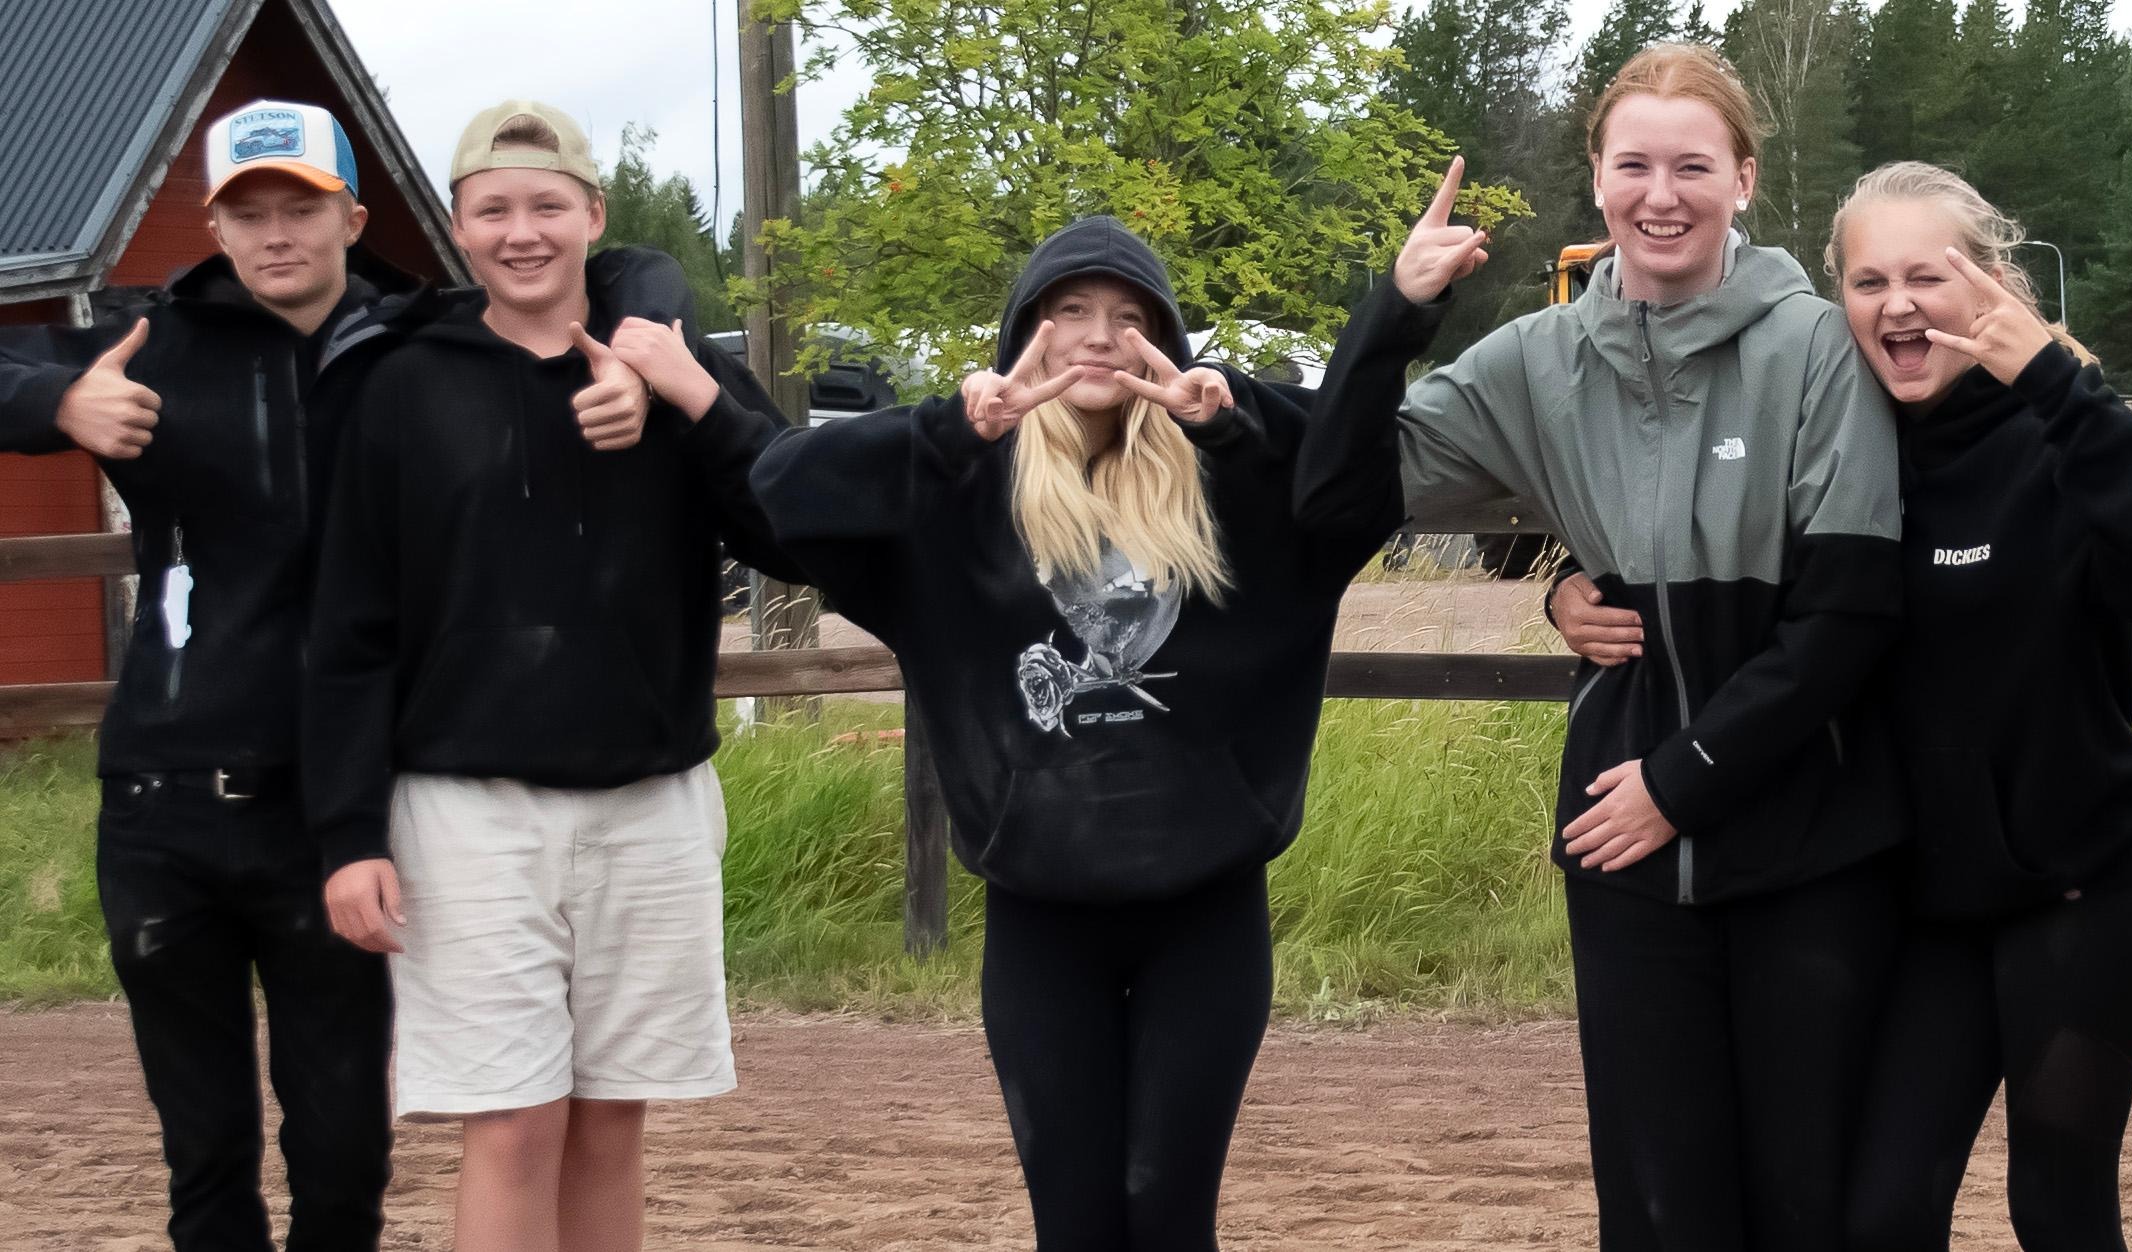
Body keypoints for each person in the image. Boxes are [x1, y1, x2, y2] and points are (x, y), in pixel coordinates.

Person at [0, 99, 657, 1252]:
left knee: (344, 1151)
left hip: (335, 806)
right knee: (205, 1156)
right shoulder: (148, 341)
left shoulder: (417, 339)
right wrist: (51, 399)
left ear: (351, 216)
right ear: (216, 226)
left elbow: (629, 272)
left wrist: (646, 357)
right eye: (247, 213)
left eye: (299, 208)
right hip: (162, 800)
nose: (275, 235)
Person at [1554, 159, 2132, 1251]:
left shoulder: (2055, 435)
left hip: (2077, 885)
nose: (1897, 304)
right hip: (1923, 903)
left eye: (1925, 276)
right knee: (1879, 1219)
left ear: (1988, 282)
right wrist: (1572, 587)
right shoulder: (1833, 444)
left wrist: (2056, 383)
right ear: (1840, 300)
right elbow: (1705, 559)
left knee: (2057, 1207)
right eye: (1868, 281)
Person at [1321, 44, 1908, 1251]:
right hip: (1622, 848)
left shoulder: (1817, 348)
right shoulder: (1538, 360)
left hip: (1808, 841)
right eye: (1634, 165)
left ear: (1745, 179)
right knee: (1656, 1201)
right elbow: (1334, 491)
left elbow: (1848, 616)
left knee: (1808, 1199)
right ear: (1596, 178)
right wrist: (1397, 312)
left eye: (1693, 166)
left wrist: (1682, 783)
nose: (1662, 194)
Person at [749, 214, 1418, 1251]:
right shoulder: (964, 494)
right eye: (1071, 312)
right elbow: (782, 493)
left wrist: (1239, 420)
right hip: (1039, 917)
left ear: (1166, 341)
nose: (1100, 336)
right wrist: (949, 429)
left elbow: (1357, 489)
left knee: (1168, 1214)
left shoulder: (1227, 485)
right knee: (1074, 1224)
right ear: (1029, 331)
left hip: (1206, 913)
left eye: (1128, 316)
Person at [302, 100, 796, 1252]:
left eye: (546, 206)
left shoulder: (674, 364)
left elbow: (795, 529)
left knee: (611, 1120)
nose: (521, 233)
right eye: (493, 210)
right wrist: (346, 833)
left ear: (593, 216)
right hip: (466, 811)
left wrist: (687, 397)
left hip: (652, 799)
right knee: (515, 1122)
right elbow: (349, 628)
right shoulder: (400, 383)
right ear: (458, 227)